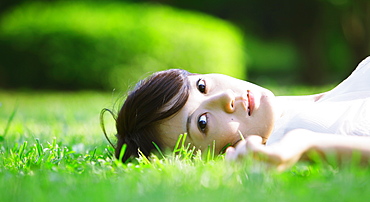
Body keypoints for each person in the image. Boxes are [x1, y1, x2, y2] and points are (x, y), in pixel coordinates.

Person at [106, 56, 370, 170]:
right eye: (202, 122)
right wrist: (305, 145)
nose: (225, 98)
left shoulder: (314, 106)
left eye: (201, 86)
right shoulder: (290, 136)